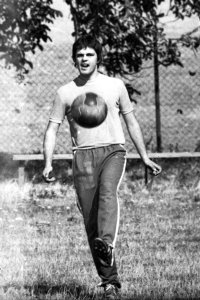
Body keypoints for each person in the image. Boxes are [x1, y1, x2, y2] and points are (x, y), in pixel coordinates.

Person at [43, 34, 162, 300]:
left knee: (108, 192)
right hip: (82, 156)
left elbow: (131, 122)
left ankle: (107, 243)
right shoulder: (65, 92)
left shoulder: (115, 85)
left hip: (113, 151)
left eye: (89, 54)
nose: (84, 59)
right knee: (90, 222)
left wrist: (144, 156)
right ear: (74, 59)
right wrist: (48, 163)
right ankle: (110, 282)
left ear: (98, 57)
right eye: (80, 55)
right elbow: (52, 130)